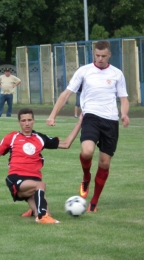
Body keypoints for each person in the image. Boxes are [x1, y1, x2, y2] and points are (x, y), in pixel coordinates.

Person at [0, 108, 82, 224]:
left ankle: (35, 210)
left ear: (33, 121)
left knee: (41, 200)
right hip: (16, 179)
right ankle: (42, 217)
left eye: (29, 120)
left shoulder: (40, 138)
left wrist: (80, 123)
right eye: (23, 121)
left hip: (33, 181)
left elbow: (66, 144)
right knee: (41, 186)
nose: (27, 123)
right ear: (19, 122)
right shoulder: (11, 138)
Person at [46, 41, 130, 212]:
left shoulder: (117, 74)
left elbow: (123, 98)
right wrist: (53, 114)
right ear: (94, 54)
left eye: (103, 56)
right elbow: (66, 94)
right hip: (90, 117)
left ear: (109, 55)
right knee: (87, 151)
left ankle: (94, 202)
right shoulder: (84, 71)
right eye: (97, 56)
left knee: (105, 163)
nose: (100, 59)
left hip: (111, 121)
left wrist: (124, 114)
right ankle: (86, 177)